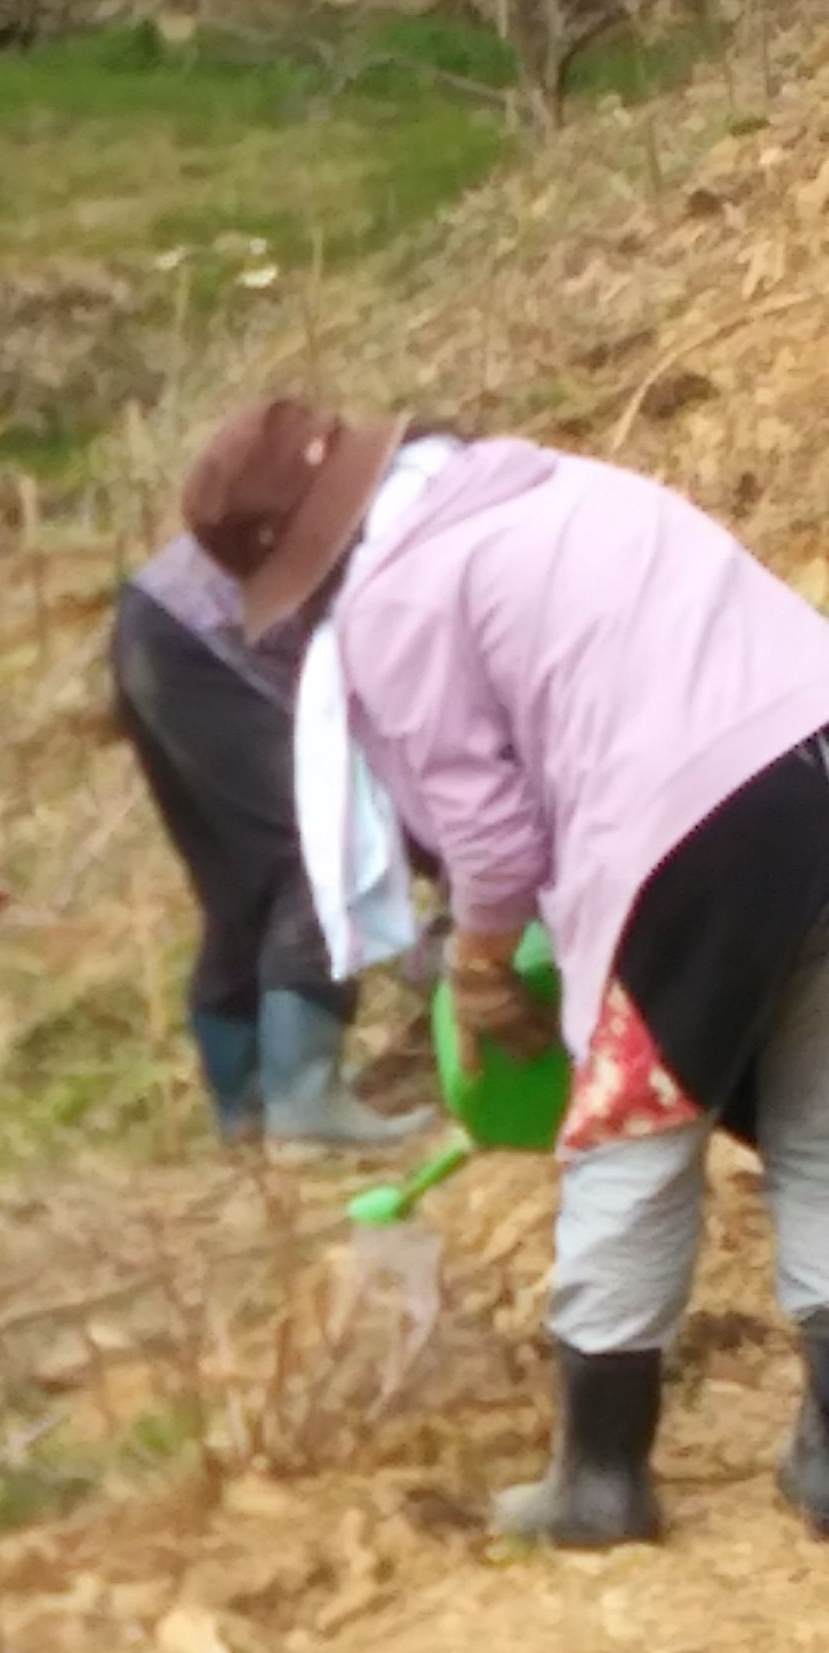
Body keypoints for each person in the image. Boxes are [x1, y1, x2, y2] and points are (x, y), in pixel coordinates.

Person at [180, 394, 829, 1548]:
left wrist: (481, 969)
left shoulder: (397, 599)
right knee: (821, 1113)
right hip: (816, 758)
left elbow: (491, 844)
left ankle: (599, 1476)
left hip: (691, 831)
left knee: (630, 1131)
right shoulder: (561, 487)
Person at [110, 526, 411, 1149]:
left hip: (154, 617)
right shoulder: (445, 556)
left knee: (239, 879)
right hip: (213, 634)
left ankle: (247, 1100)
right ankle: (303, 1101)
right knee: (319, 850)